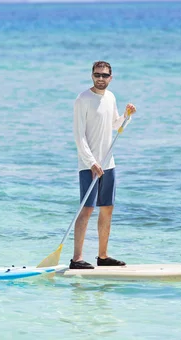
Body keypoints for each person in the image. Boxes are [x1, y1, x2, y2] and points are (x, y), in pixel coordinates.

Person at [71, 60, 136, 269]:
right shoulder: (83, 99)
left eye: (104, 75)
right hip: (88, 165)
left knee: (107, 208)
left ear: (111, 77)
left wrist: (127, 116)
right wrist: (91, 162)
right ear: (92, 75)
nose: (100, 79)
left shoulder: (111, 97)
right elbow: (79, 136)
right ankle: (77, 259)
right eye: (97, 75)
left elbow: (115, 125)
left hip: (108, 164)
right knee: (87, 209)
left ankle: (103, 256)